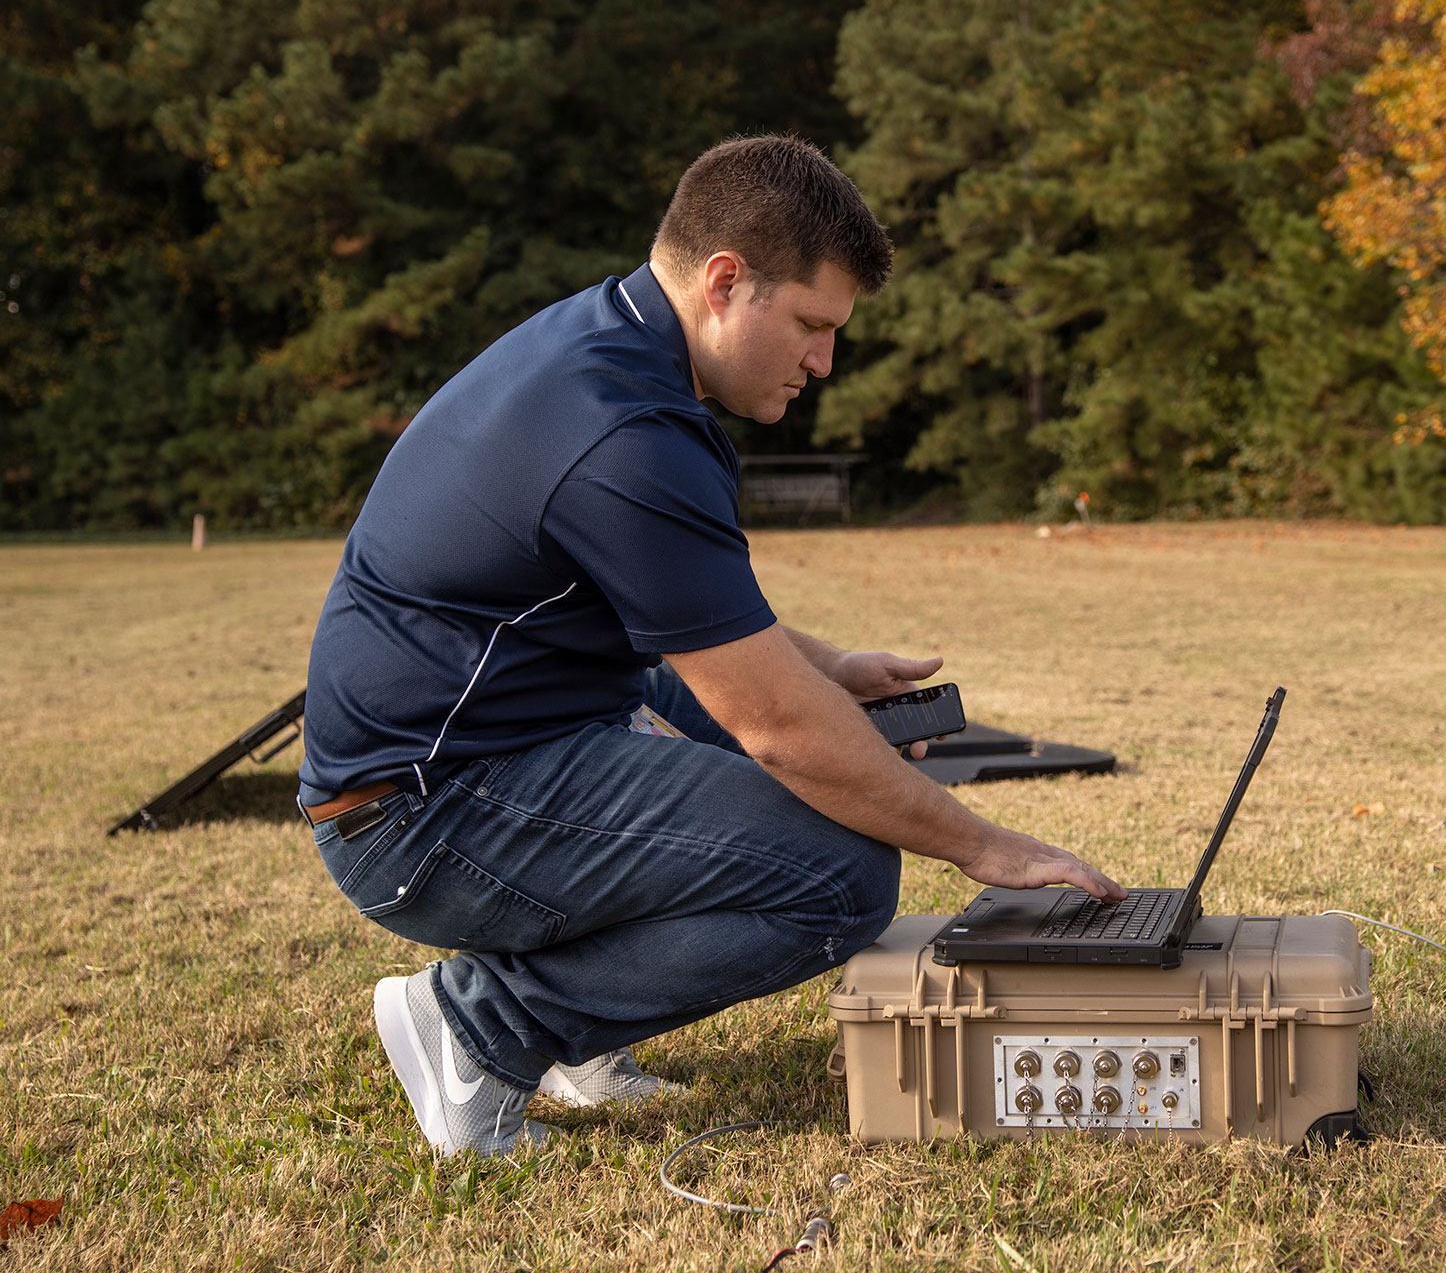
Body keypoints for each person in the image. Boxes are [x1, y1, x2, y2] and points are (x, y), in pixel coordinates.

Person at [295, 135, 1124, 1158]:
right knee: (840, 871)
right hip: (423, 812)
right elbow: (776, 728)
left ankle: (574, 1034)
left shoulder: (611, 350)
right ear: (727, 280)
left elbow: (696, 625)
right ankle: (482, 1027)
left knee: (800, 769)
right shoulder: (624, 428)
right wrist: (983, 844)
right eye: (814, 325)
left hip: (486, 753)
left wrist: (827, 669)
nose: (824, 360)